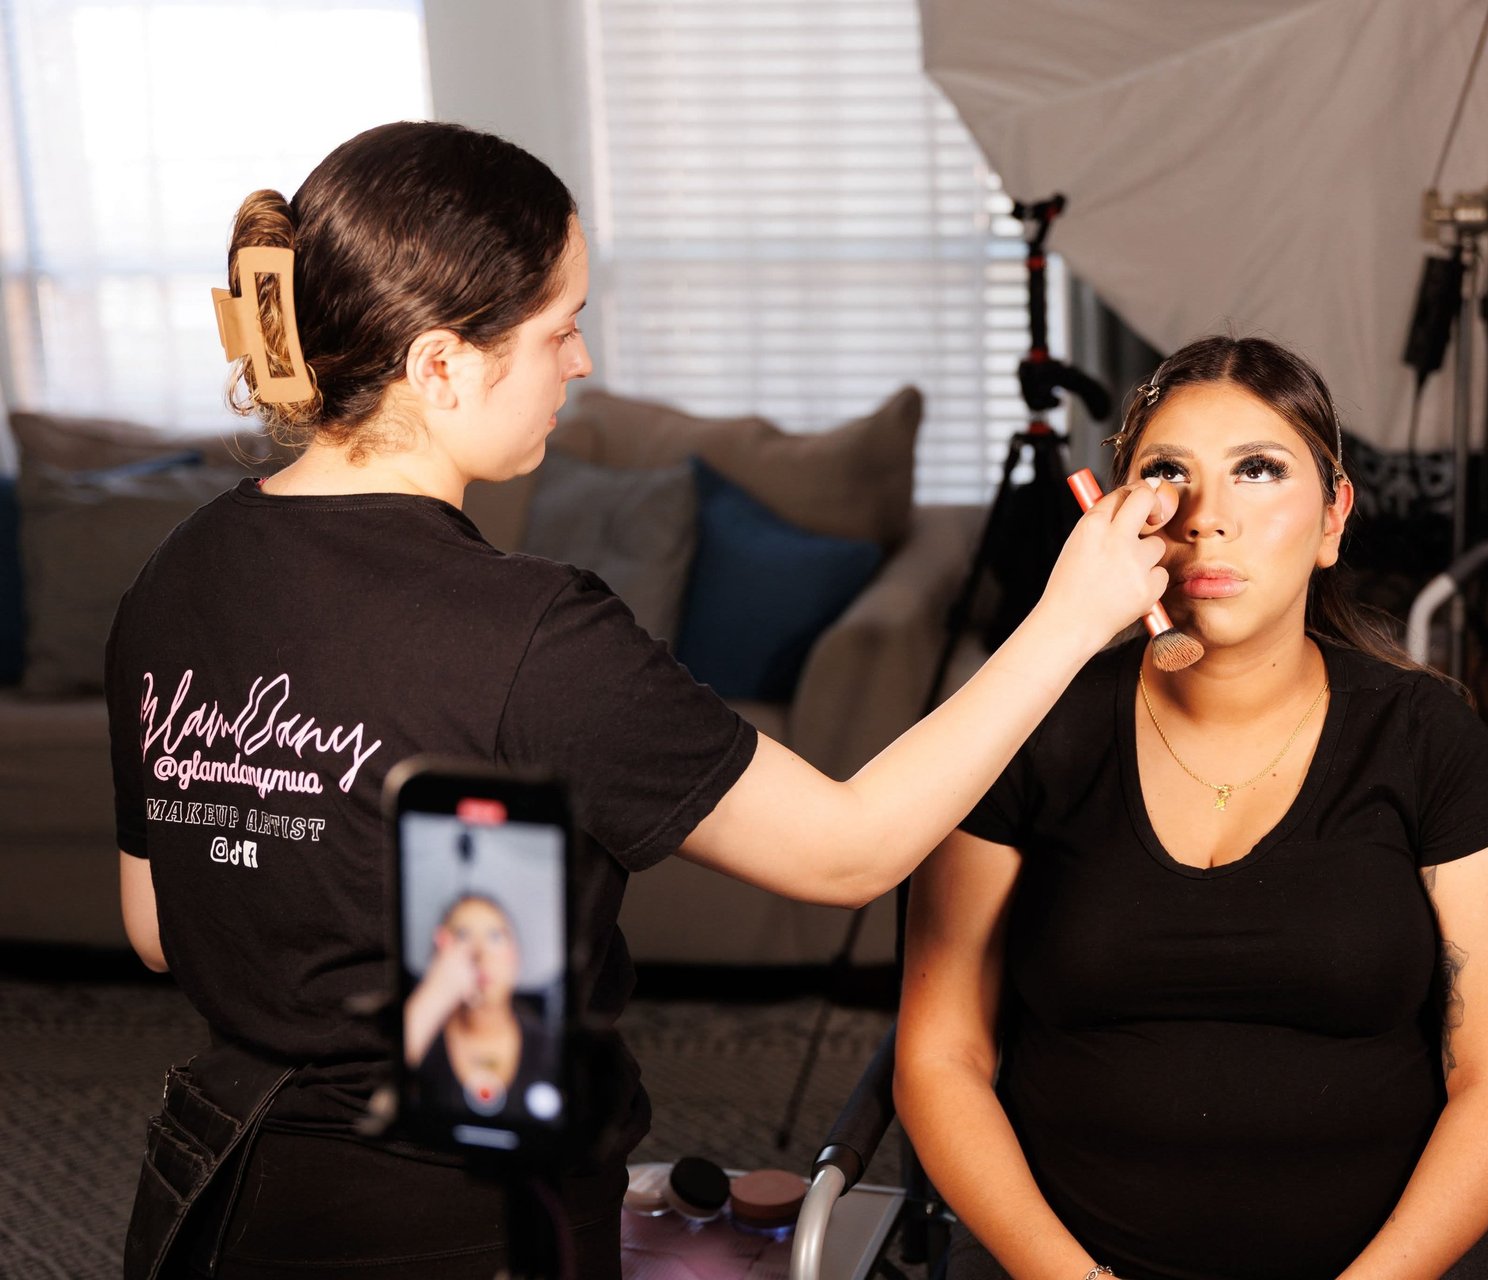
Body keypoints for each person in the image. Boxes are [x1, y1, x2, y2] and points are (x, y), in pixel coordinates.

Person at [108, 120, 1173, 1279]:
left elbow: (161, 926)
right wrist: (1074, 615)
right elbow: (849, 851)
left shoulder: (179, 569)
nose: (583, 362)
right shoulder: (532, 634)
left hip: (215, 1204)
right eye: (559, 328)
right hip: (463, 1227)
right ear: (440, 366)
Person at [894, 335, 1488, 1280]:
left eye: (1257, 470)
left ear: (1333, 520)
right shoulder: (1027, 725)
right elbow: (939, 1056)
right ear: (1122, 519)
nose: (1206, 518)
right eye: (1168, 475)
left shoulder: (1425, 739)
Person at [403, 894, 552, 1119]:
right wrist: (433, 995)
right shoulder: (420, 1034)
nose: (480, 952)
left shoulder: (547, 1045)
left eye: (495, 936)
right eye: (462, 935)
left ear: (515, 957)